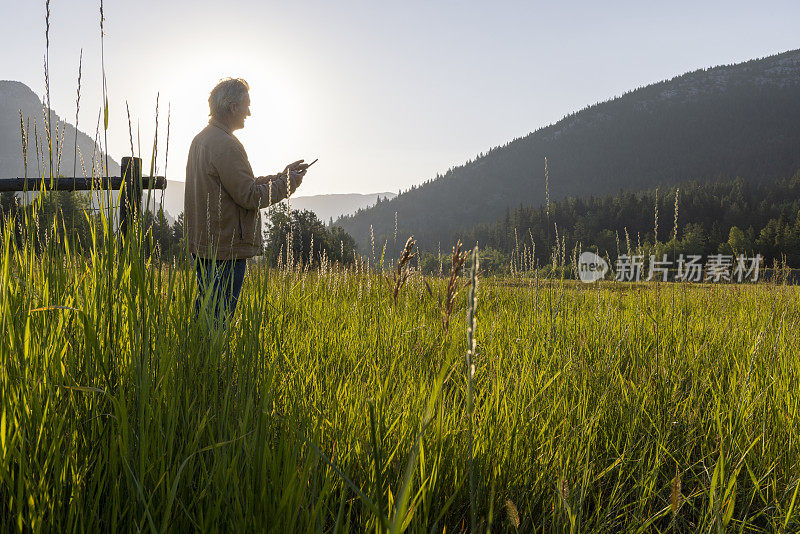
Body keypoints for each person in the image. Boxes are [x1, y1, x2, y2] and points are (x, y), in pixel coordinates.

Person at [184, 77, 309, 324]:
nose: (249, 112)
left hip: (207, 245)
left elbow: (239, 185)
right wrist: (289, 184)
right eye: (246, 105)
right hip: (225, 249)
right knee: (218, 321)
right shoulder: (226, 145)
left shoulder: (202, 139)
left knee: (206, 315)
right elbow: (250, 196)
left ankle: (199, 359)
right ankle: (212, 362)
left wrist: (282, 176)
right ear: (232, 108)